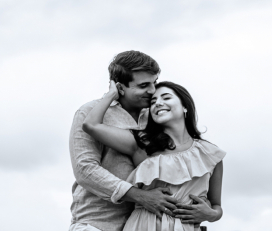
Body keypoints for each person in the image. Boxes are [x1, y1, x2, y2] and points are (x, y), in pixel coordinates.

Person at [83, 81, 225, 230]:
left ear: (185, 106)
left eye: (166, 98)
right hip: (143, 225)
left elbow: (216, 205)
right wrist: (111, 94)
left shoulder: (210, 153)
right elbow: (90, 125)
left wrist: (212, 215)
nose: (158, 103)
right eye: (153, 101)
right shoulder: (142, 144)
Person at [69, 51, 179, 231]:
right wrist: (139, 195)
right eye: (144, 85)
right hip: (98, 224)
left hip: (149, 225)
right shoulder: (89, 112)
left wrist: (210, 209)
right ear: (119, 88)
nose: (152, 91)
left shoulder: (158, 115)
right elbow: (85, 169)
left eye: (154, 83)